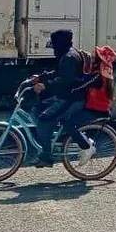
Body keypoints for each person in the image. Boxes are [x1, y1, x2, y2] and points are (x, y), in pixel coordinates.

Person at [32, 29, 96, 167]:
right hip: (68, 97)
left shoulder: (69, 57)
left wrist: (45, 86)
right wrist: (41, 77)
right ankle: (48, 138)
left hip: (72, 99)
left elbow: (65, 81)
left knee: (43, 119)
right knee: (37, 109)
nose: (53, 48)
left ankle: (47, 155)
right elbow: (60, 73)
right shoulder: (69, 54)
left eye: (54, 44)